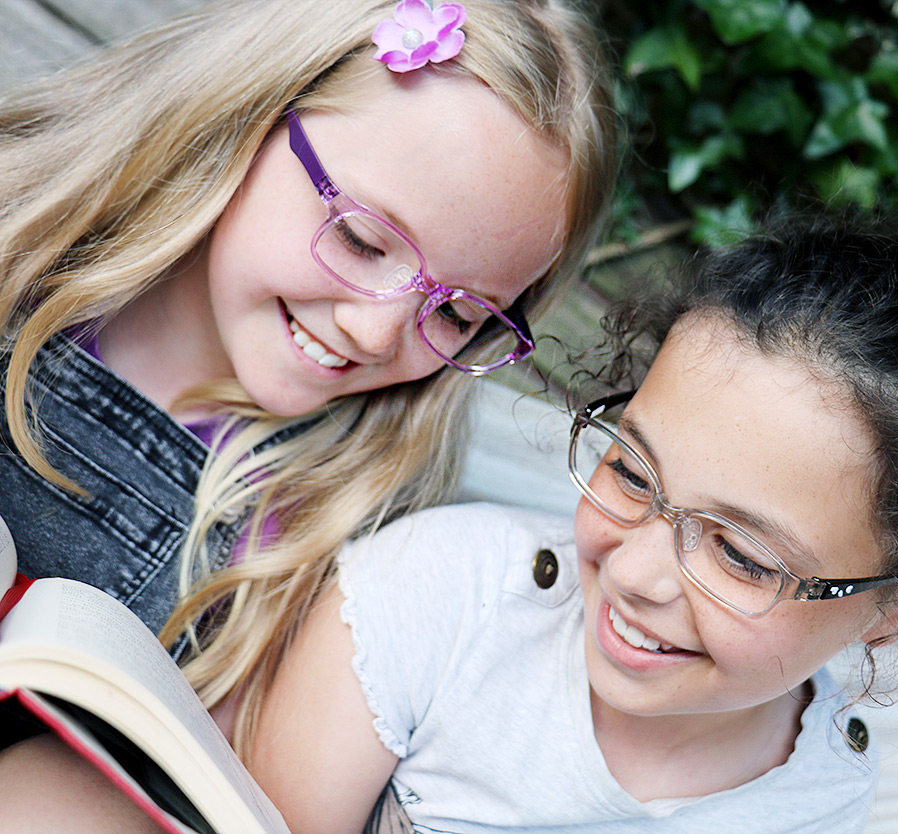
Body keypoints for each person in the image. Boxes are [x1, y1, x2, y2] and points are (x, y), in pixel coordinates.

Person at [231, 219, 898, 833]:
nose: (630, 574)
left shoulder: (820, 800)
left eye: (740, 555)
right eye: (632, 474)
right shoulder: (439, 598)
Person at [0, 0, 615, 675]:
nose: (375, 333)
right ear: (247, 116)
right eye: (359, 240)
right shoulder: (16, 252)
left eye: (456, 316)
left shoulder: (325, 529)